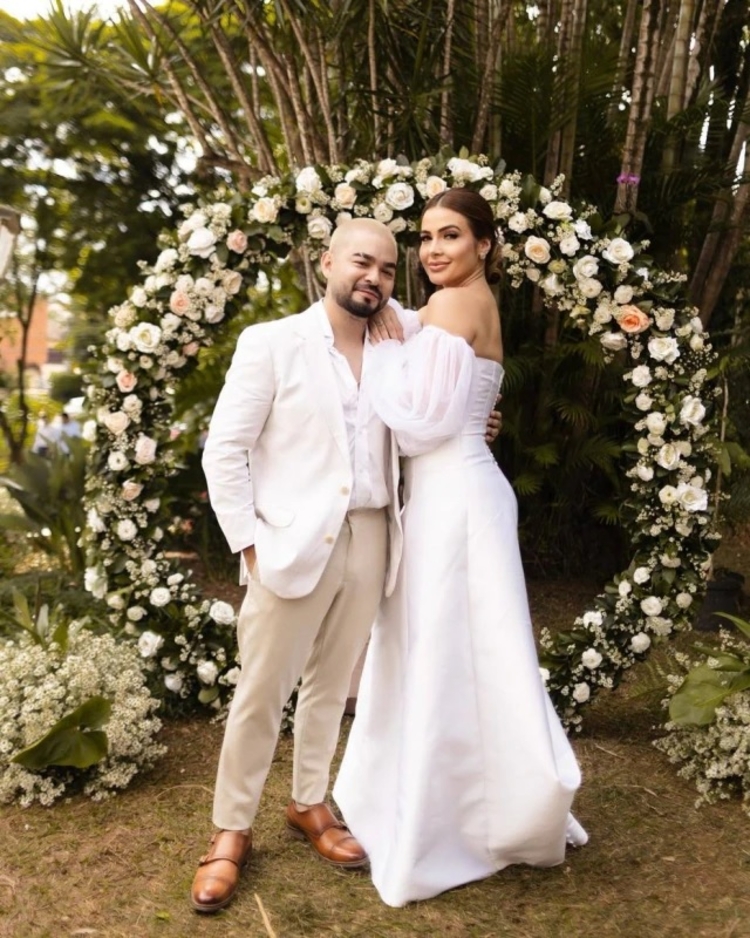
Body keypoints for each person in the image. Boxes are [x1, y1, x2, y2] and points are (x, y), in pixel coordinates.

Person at [192, 216, 501, 913]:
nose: (376, 278)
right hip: (290, 544)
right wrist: (249, 544)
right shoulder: (271, 343)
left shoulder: (406, 338)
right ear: (326, 261)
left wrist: (479, 420)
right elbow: (224, 452)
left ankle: (309, 804)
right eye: (363, 262)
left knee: (333, 687)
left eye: (390, 270)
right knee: (261, 694)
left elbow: (455, 389)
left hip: (373, 535)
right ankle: (229, 831)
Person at [333, 189, 587, 908]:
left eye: (451, 235)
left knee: (445, 649)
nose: (433, 249)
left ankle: (442, 817)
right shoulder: (461, 306)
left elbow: (417, 428)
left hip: (455, 499)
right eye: (425, 238)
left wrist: (380, 361)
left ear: (485, 245)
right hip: (463, 491)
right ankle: (485, 798)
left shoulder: (450, 307)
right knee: (471, 650)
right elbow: (454, 399)